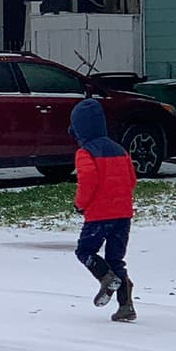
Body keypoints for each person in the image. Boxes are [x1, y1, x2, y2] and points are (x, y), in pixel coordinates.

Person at [70, 98, 137, 322]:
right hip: (123, 215)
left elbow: (88, 181)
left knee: (85, 251)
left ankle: (105, 277)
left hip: (98, 216)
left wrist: (80, 204)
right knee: (116, 259)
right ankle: (126, 305)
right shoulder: (120, 150)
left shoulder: (85, 153)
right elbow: (131, 180)